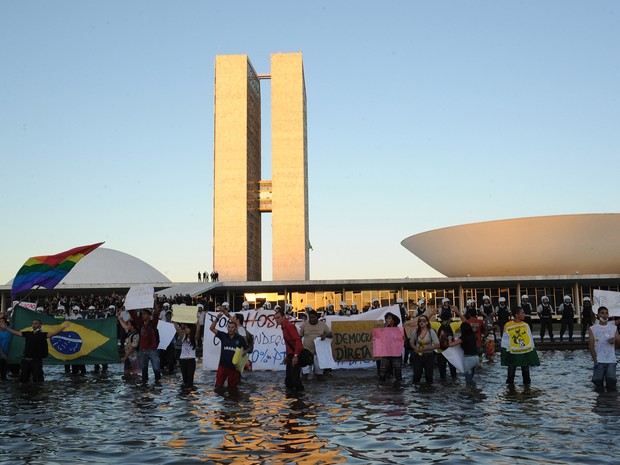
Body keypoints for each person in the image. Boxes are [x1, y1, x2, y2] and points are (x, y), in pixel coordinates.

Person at [0, 317, 68, 382]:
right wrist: (6, 328)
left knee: (37, 380)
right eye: (33, 323)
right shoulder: (28, 333)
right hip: (26, 360)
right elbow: (16, 333)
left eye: (36, 323)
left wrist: (63, 327)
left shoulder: (42, 335)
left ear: (40, 325)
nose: (34, 325)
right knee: (24, 380)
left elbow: (53, 333)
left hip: (36, 361)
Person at [501, 307, 540, 386]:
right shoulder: (508, 325)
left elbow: (530, 339)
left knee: (526, 374)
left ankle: (527, 391)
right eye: (522, 313)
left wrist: (532, 354)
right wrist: (504, 352)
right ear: (516, 315)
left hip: (524, 352)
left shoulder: (525, 325)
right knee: (511, 374)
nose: (524, 314)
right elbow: (505, 339)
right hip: (512, 353)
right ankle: (510, 392)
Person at [210, 310, 247, 388]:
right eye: (229, 327)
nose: (230, 329)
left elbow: (246, 349)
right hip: (222, 366)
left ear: (235, 328)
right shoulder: (223, 335)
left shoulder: (240, 338)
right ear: (227, 328)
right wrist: (217, 319)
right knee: (218, 387)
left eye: (232, 327)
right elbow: (212, 328)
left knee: (233, 389)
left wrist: (244, 354)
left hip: (234, 368)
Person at [274, 307, 304, 391]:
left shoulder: (289, 326)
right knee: (289, 380)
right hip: (291, 355)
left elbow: (297, 340)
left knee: (295, 380)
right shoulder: (284, 327)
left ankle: (299, 399)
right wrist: (287, 357)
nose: (276, 320)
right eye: (275, 318)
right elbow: (289, 344)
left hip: (295, 355)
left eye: (278, 318)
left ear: (284, 317)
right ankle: (293, 399)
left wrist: (295, 355)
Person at [588, 306, 618, 391]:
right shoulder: (593, 328)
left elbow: (618, 339)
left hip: (611, 360)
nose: (604, 315)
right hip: (599, 360)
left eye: (606, 313)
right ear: (598, 314)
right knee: (598, 382)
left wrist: (615, 339)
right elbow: (591, 346)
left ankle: (611, 401)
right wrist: (595, 360)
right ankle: (600, 402)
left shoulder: (613, 327)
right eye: (602, 313)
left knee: (611, 382)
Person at [299, 310, 331, 381]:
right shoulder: (304, 325)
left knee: (319, 375)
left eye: (313, 317)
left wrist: (325, 335)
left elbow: (331, 334)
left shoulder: (322, 325)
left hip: (318, 353)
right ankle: (304, 390)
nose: (311, 319)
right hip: (306, 352)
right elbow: (299, 337)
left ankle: (317, 390)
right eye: (310, 318)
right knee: (304, 375)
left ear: (317, 317)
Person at [409, 315, 439, 384]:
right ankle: (416, 393)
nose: (421, 322)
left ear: (427, 322)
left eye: (423, 321)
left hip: (429, 356)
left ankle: (429, 392)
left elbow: (437, 345)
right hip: (417, 356)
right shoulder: (415, 331)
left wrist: (426, 348)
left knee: (429, 377)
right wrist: (416, 348)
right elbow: (411, 343)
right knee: (416, 376)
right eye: (420, 321)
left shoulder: (431, 331)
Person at [378, 312, 404, 383]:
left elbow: (401, 340)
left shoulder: (398, 330)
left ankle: (398, 388)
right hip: (386, 353)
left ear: (393, 320)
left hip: (396, 353)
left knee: (397, 371)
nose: (387, 320)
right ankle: (383, 387)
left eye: (389, 318)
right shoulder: (383, 328)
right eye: (386, 318)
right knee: (382, 371)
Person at [175, 320, 198, 387]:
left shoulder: (194, 338)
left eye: (187, 328)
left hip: (191, 360)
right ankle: (185, 393)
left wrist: (198, 320)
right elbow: (177, 328)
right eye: (185, 328)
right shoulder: (183, 336)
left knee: (190, 380)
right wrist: (174, 319)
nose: (186, 329)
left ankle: (189, 393)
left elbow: (198, 330)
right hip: (182, 360)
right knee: (185, 380)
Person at [0, 311, 12, 380]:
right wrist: (2, 354)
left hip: (9, 354)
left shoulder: (9, 329)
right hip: (1, 355)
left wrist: (8, 315)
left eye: (2, 322)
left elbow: (12, 322)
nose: (1, 323)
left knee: (5, 374)